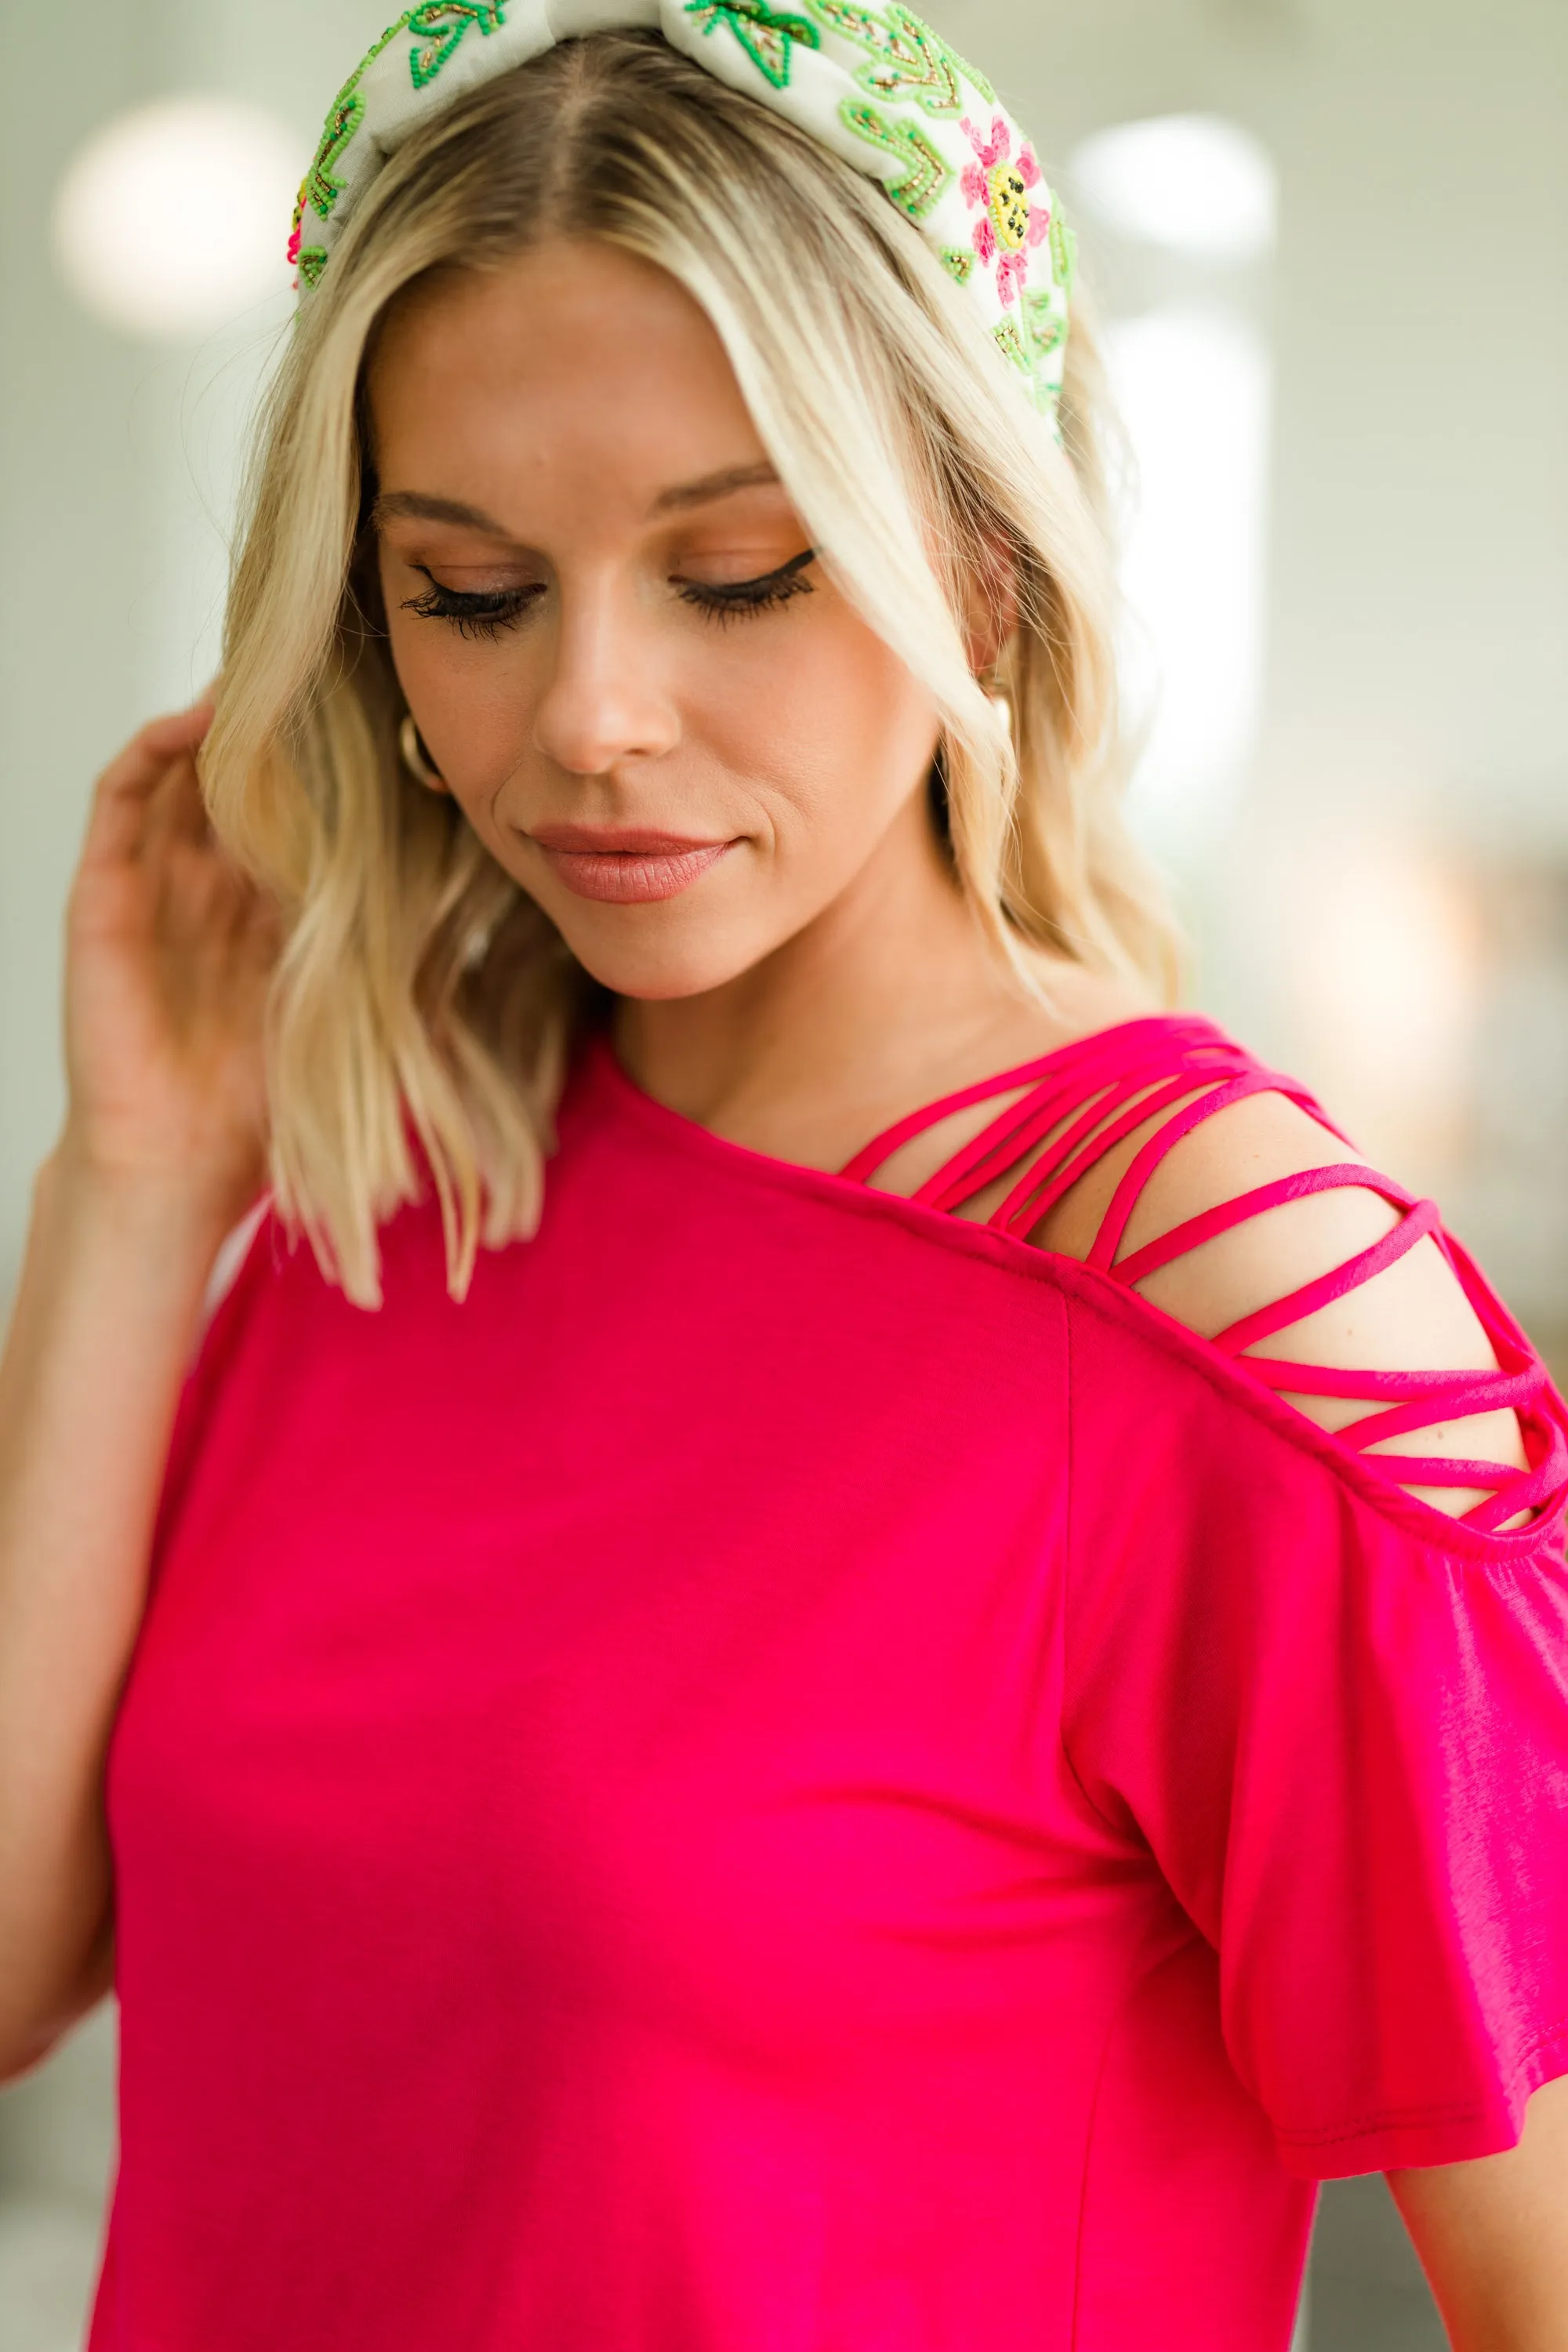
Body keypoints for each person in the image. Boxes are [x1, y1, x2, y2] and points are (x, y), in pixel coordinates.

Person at [1, 8, 1564, 2347]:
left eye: (739, 575)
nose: (590, 720)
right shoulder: (405, 1189)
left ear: (988, 567)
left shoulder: (1239, 1293)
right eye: (474, 591)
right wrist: (134, 1180)